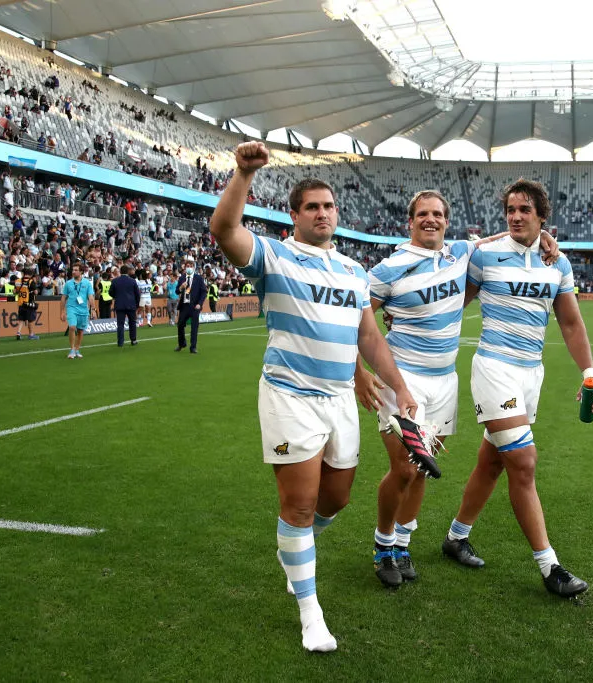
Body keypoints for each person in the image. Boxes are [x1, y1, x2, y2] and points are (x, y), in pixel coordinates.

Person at [209, 141, 418, 653]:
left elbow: (368, 338)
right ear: (295, 215)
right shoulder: (275, 255)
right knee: (300, 505)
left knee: (337, 499)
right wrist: (243, 174)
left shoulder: (351, 271)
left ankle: (294, 550)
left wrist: (401, 388)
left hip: (340, 400)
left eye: (328, 207)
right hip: (289, 396)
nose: (322, 214)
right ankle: (311, 614)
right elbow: (224, 231)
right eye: (312, 207)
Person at [354, 190, 561, 588]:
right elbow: (355, 321)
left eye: (438, 214)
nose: (430, 220)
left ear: (447, 222)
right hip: (403, 378)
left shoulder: (459, 253)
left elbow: (513, 236)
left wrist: (547, 238)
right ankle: (383, 545)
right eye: (422, 214)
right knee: (403, 467)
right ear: (410, 221)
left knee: (420, 471)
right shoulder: (388, 268)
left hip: (445, 379)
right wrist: (359, 373)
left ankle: (402, 543)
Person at [441, 178, 593, 599]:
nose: (515, 216)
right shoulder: (487, 254)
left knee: (492, 462)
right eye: (510, 209)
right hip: (494, 368)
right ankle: (550, 567)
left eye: (524, 210)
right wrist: (410, 318)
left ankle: (456, 537)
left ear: (541, 217)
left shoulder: (558, 263)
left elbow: (570, 323)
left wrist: (589, 374)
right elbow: (454, 301)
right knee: (524, 463)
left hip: (532, 374)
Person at [60, 262, 92, 359]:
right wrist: (62, 311)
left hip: (83, 310)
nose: (73, 272)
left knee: (81, 330)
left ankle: (77, 349)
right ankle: (72, 349)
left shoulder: (87, 283)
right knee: (72, 327)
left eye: (76, 270)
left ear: (81, 271)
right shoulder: (68, 283)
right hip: (71, 308)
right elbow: (63, 298)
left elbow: (90, 296)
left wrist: (93, 309)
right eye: (73, 270)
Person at [173, 258, 206, 354]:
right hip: (184, 305)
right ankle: (181, 344)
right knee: (180, 325)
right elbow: (176, 291)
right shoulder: (182, 278)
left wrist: (200, 304)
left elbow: (204, 292)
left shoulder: (199, 278)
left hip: (195, 306)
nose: (189, 268)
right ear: (185, 267)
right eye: (187, 266)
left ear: (194, 268)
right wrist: (181, 287)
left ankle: (193, 347)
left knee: (194, 327)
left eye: (191, 266)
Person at [110, 265, 139, 347]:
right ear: (128, 271)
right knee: (132, 323)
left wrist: (117, 296)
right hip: (131, 305)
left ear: (120, 271)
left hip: (119, 305)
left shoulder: (115, 281)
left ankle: (120, 342)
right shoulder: (133, 281)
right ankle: (133, 340)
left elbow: (110, 292)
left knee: (120, 324)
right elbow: (137, 294)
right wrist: (136, 305)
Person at [14, 266, 40, 340]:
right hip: (29, 303)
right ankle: (31, 334)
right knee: (30, 319)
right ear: (30, 274)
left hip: (21, 303)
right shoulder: (31, 282)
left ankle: (18, 332)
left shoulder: (18, 281)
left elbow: (15, 291)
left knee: (21, 319)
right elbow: (36, 292)